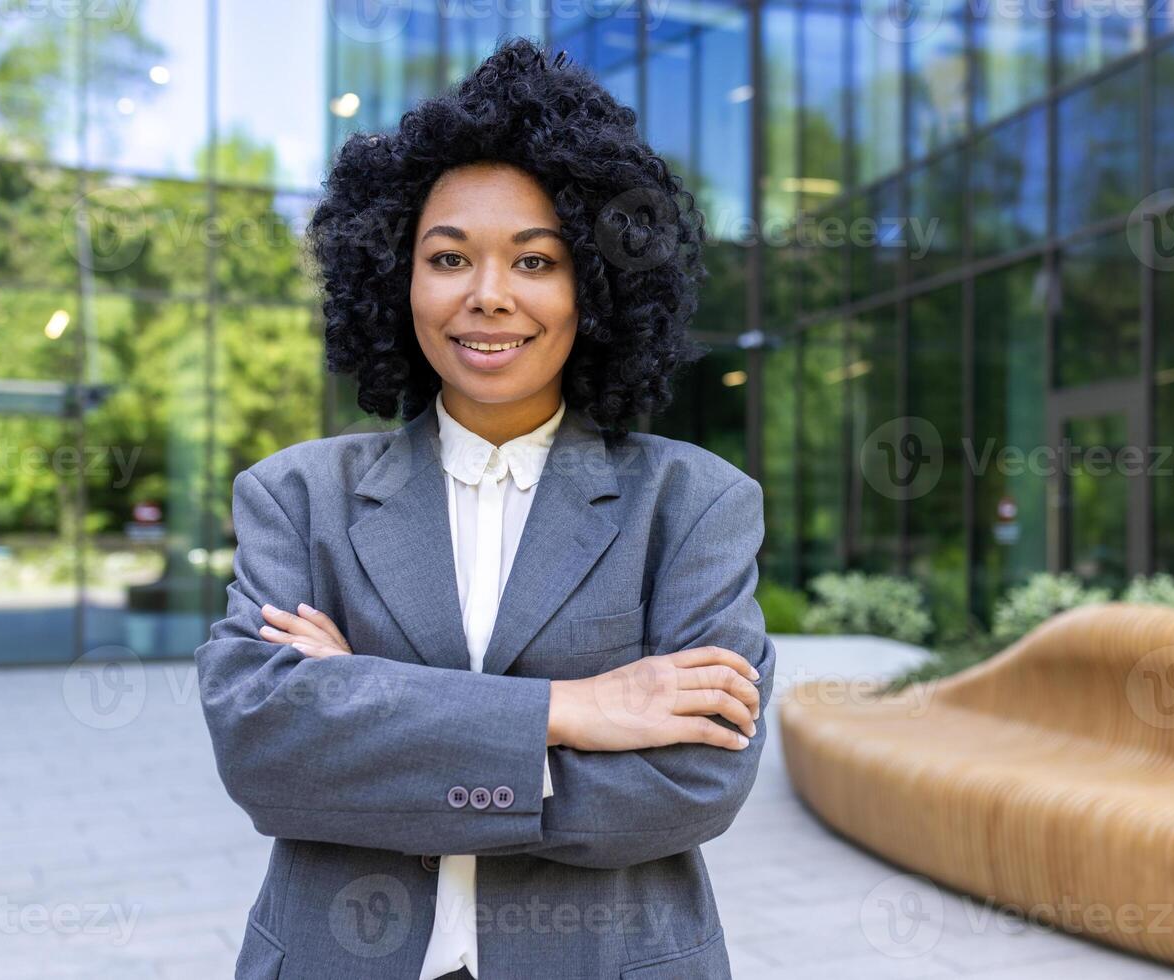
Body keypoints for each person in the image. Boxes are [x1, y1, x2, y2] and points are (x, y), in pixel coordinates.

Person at [193, 35, 774, 980]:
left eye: (535, 262)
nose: (489, 296)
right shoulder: (296, 496)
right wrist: (574, 709)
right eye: (450, 257)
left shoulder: (694, 505)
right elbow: (268, 752)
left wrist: (366, 717)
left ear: (595, 284)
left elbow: (691, 784)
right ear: (398, 278)